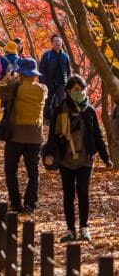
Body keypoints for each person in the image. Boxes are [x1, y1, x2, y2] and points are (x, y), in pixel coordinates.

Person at [43, 75, 113, 242]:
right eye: (76, 90)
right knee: (68, 194)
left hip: (85, 159)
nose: (80, 93)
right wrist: (49, 155)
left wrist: (106, 158)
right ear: (68, 91)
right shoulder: (60, 110)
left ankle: (84, 227)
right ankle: (70, 229)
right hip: (65, 159)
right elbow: (52, 135)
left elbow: (98, 135)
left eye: (82, 90)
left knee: (83, 192)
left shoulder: (89, 111)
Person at [0, 58, 46, 214]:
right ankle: (31, 203)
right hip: (35, 137)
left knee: (11, 170)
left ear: (21, 73)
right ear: (35, 74)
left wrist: (8, 78)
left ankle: (16, 203)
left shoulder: (14, 87)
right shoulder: (43, 90)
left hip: (15, 137)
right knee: (33, 173)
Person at [39, 35, 71, 124]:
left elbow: (68, 71)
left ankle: (60, 122)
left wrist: (68, 84)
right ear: (52, 43)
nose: (57, 42)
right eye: (55, 41)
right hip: (49, 83)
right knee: (48, 102)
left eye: (59, 41)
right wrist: (43, 82)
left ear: (62, 43)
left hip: (62, 84)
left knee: (61, 102)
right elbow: (42, 69)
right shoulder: (47, 55)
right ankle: (46, 121)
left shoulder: (65, 56)